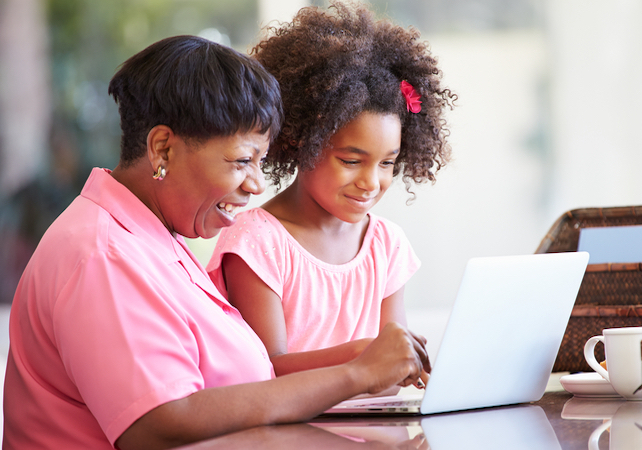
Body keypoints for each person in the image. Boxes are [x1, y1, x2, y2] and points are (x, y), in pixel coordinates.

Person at [2, 35, 430, 450]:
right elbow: (160, 423)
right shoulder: (103, 255)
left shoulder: (157, 240)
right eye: (242, 160)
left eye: (260, 161)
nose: (256, 184)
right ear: (163, 149)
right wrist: (356, 374)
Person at [206, 1, 456, 381]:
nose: (372, 182)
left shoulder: (385, 245)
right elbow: (265, 371)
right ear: (300, 140)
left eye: (387, 163)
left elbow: (388, 370)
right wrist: (360, 356)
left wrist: (406, 365)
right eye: (352, 161)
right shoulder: (256, 242)